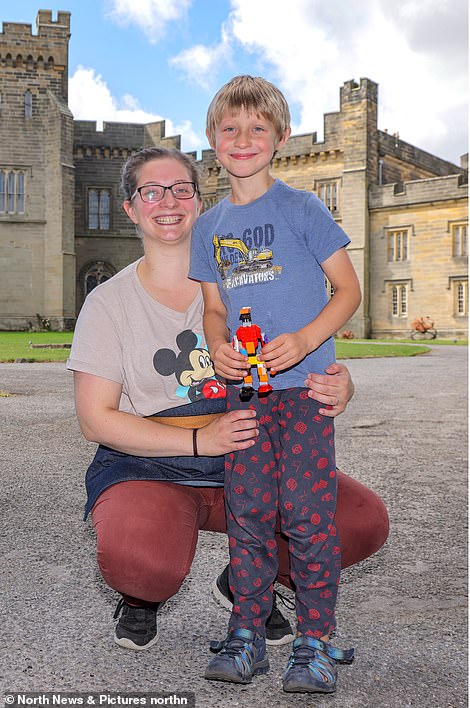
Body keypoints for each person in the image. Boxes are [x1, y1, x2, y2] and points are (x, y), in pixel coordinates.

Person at [67, 146, 388, 660]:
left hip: (251, 456)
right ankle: (141, 594)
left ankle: (246, 581)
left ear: (200, 201)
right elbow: (94, 419)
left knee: (361, 520)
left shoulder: (248, 281)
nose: (167, 202)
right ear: (130, 207)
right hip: (153, 465)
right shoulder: (109, 301)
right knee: (143, 560)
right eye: (151, 191)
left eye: (181, 189)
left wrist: (337, 383)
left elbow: (305, 341)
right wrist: (199, 438)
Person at [189, 75, 362, 694]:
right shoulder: (208, 227)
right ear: (213, 140)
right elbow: (213, 307)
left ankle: (314, 640)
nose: (243, 138)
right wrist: (216, 344)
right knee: (250, 512)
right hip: (247, 395)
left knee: (308, 515)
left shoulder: (302, 209)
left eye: (257, 128)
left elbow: (348, 291)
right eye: (229, 128)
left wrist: (308, 339)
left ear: (280, 138)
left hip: (306, 390)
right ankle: (248, 635)